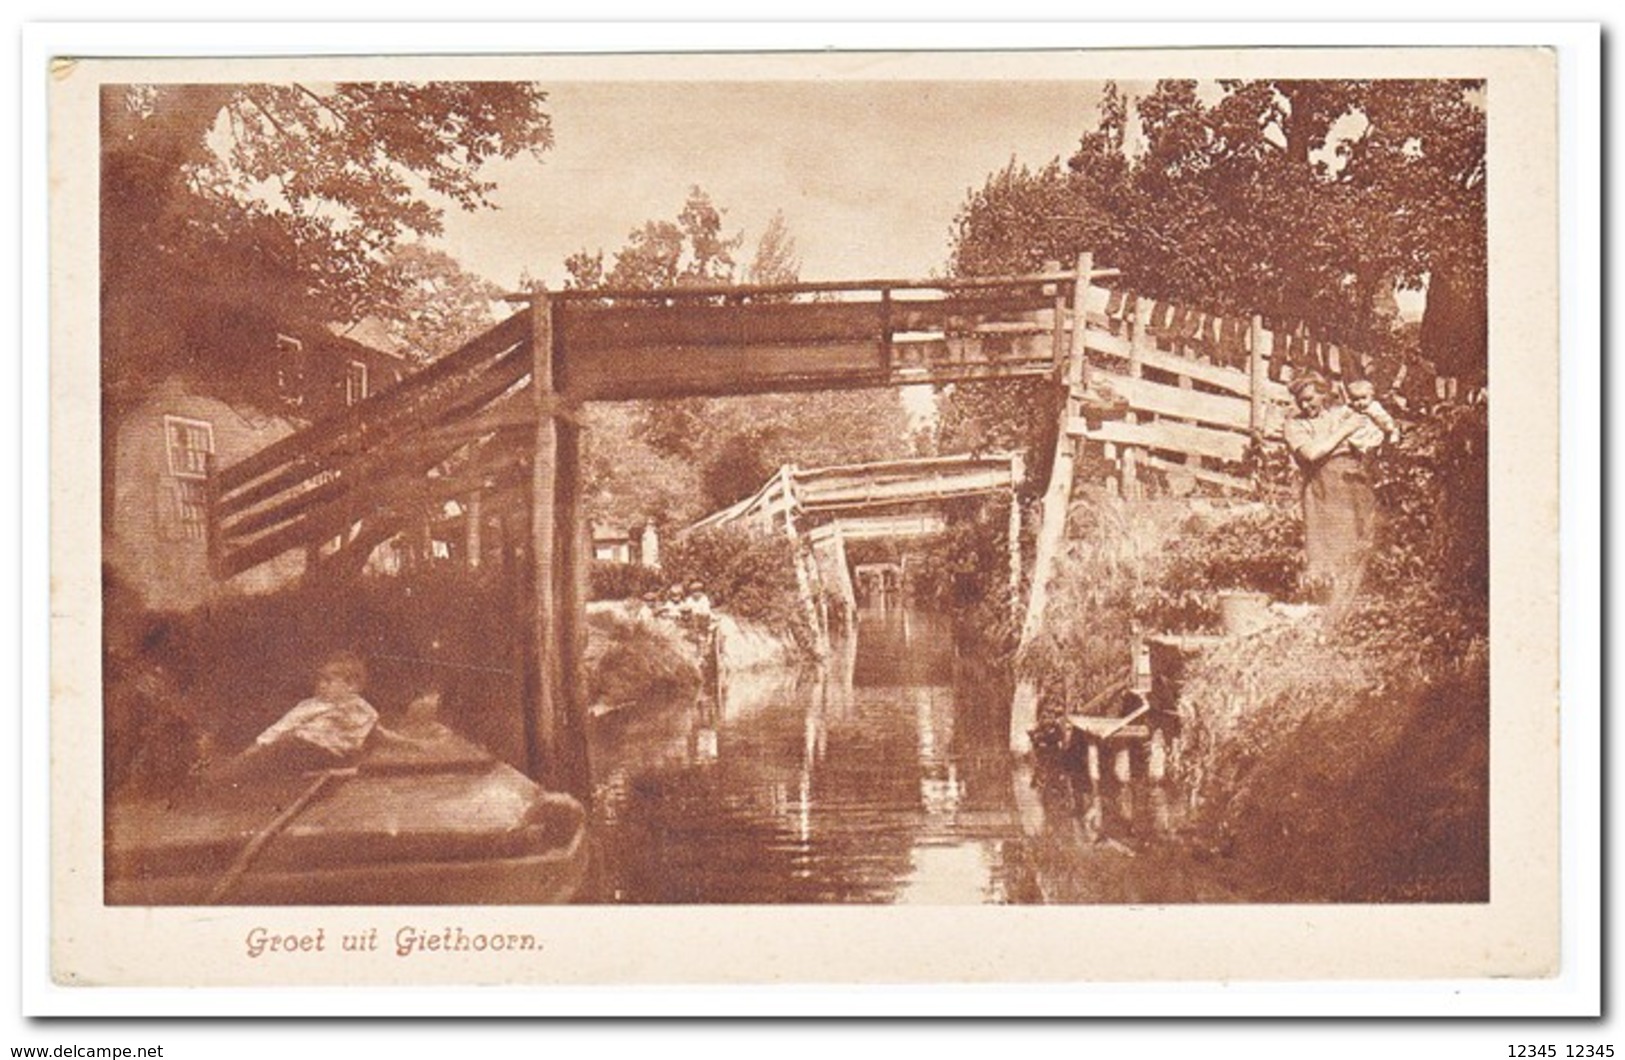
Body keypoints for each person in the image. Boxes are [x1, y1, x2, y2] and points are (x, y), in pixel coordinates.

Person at [1282, 372, 1379, 603]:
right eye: (1300, 401)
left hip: (1354, 483)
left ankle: (1359, 603)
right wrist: (1344, 432)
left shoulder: (1339, 415)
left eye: (1310, 398)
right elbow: (1312, 453)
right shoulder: (1294, 426)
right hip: (1322, 489)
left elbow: (1369, 430)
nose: (1305, 405)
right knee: (1329, 546)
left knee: (1361, 539)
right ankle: (1330, 605)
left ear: (1323, 395)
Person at [1344, 378, 1401, 454]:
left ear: (1372, 396)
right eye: (1355, 399)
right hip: (1362, 433)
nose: (1360, 402)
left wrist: (1387, 426)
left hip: (1375, 431)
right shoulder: (1352, 408)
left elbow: (1385, 419)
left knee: (1379, 439)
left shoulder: (1374, 407)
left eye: (1364, 398)